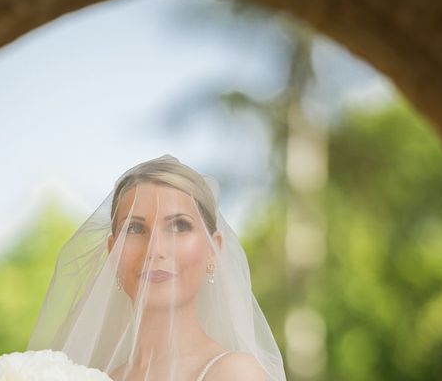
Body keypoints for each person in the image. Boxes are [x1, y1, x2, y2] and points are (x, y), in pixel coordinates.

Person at [28, 155, 286, 380]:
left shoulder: (234, 374)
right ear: (112, 251)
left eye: (179, 226)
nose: (154, 250)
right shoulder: (96, 378)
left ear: (214, 249)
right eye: (135, 228)